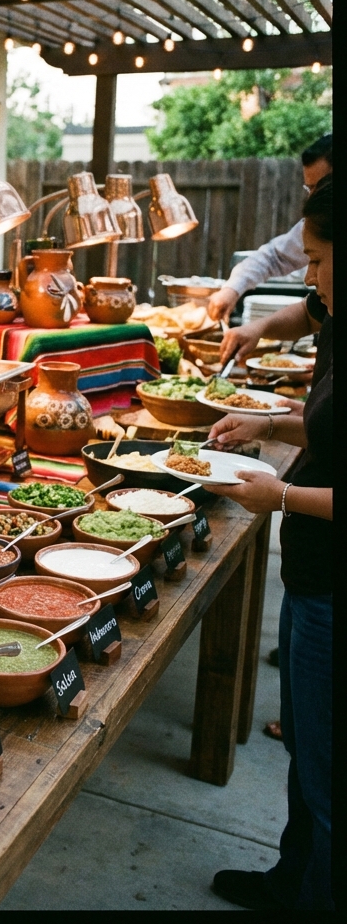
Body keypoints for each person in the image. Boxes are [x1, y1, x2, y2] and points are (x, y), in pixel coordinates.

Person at [206, 177, 333, 911]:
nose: (307, 279)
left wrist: (278, 495)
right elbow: (332, 427)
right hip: (314, 578)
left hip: (331, 584)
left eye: (316, 261)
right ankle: (293, 880)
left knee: (325, 774)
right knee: (307, 754)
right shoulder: (337, 321)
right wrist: (271, 425)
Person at [208, 133, 331, 327]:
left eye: (320, 187)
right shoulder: (313, 224)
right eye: (309, 189)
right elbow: (273, 257)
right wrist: (231, 289)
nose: (309, 278)